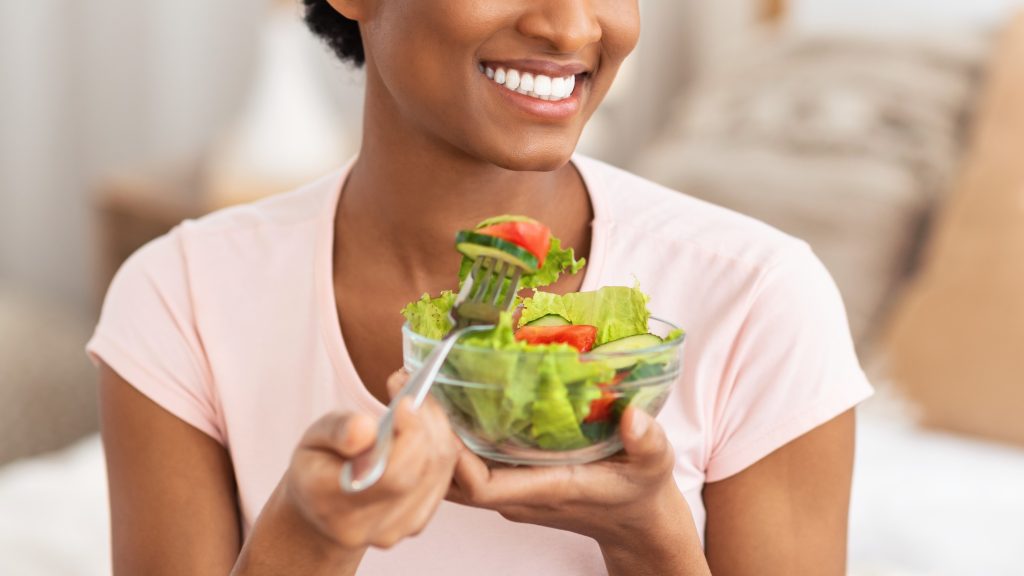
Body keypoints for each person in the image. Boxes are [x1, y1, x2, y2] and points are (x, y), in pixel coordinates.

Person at [88, 1, 873, 574]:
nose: (573, 28)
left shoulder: (758, 298)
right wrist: (309, 532)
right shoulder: (181, 296)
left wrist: (648, 534)